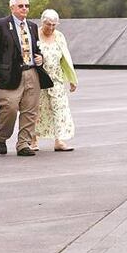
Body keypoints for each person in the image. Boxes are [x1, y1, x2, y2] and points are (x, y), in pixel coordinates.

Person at [0, 0, 51, 156]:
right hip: (9, 74)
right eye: (21, 6)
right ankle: (1, 136)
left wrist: (40, 57)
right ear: (12, 7)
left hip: (31, 72)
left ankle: (23, 143)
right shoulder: (1, 25)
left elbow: (36, 48)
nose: (25, 9)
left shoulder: (32, 26)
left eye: (27, 6)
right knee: (9, 107)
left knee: (30, 110)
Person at [34, 8, 78, 152]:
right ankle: (33, 140)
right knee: (37, 110)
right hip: (39, 78)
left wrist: (72, 79)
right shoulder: (34, 34)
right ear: (42, 23)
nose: (51, 28)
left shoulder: (59, 36)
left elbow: (66, 58)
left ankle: (60, 140)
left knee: (60, 108)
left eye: (54, 25)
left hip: (56, 78)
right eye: (48, 24)